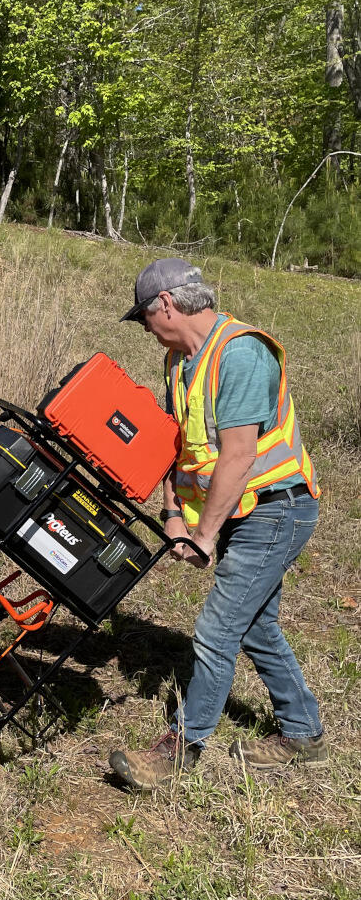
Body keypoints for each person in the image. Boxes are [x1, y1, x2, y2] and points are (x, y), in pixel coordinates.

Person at [109, 257, 325, 790]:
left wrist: (205, 534)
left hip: (277, 508)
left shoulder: (242, 353)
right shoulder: (179, 362)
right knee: (255, 625)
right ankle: (305, 734)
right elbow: (172, 446)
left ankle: (181, 750)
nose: (146, 330)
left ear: (165, 305)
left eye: (143, 319)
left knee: (218, 628)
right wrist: (172, 514)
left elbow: (238, 456)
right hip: (240, 510)